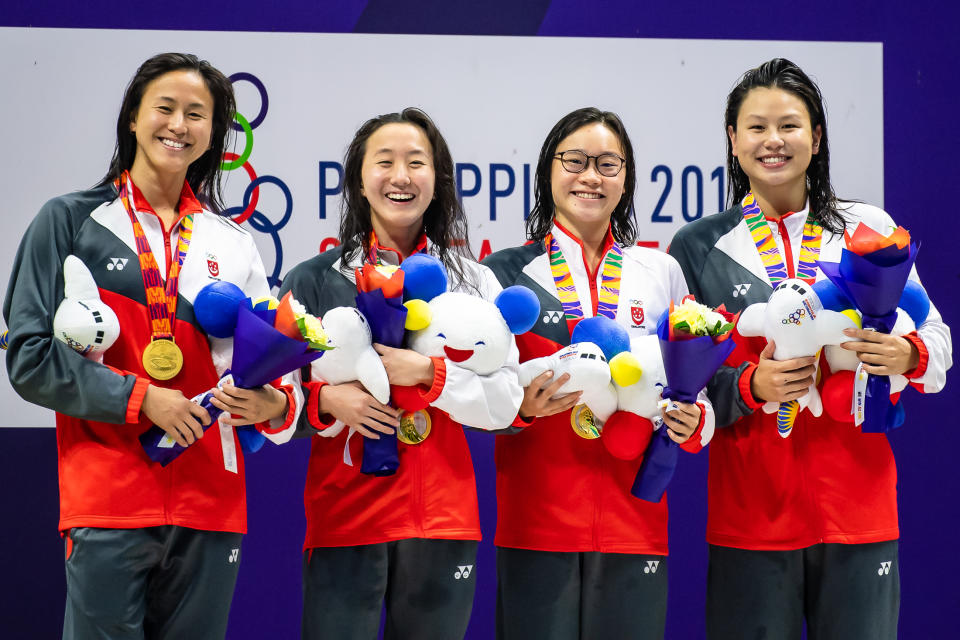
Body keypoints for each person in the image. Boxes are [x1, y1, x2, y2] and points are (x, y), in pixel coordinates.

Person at [3, 53, 301, 639]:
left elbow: (278, 375)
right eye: (165, 108)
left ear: (213, 134)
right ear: (132, 119)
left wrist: (275, 408)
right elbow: (29, 357)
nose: (179, 125)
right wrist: (144, 400)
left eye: (197, 114)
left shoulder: (234, 242)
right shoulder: (68, 221)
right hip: (109, 497)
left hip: (213, 503)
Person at [667, 58, 952, 640]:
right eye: (756, 127)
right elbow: (677, 383)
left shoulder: (867, 227)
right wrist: (751, 387)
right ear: (733, 139)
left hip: (859, 510)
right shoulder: (697, 245)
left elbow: (940, 344)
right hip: (750, 513)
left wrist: (908, 356)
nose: (774, 141)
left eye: (790, 125)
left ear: (817, 137)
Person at [278, 107, 523, 640]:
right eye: (384, 161)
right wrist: (324, 400)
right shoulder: (315, 279)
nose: (401, 176)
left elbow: (507, 399)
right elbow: (276, 398)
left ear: (438, 181)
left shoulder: (475, 281)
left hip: (443, 519)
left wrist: (432, 376)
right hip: (346, 515)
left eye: (417, 162)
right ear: (359, 180)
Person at [482, 107, 715, 640]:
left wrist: (693, 419)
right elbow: (478, 392)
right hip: (536, 522)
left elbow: (693, 385)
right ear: (548, 170)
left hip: (635, 520)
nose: (591, 176)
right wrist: (519, 408)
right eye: (576, 161)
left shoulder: (661, 272)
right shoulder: (503, 274)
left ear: (627, 177)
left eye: (608, 164)